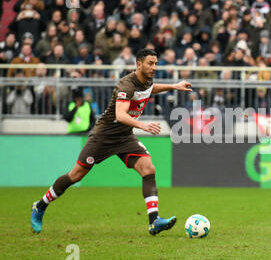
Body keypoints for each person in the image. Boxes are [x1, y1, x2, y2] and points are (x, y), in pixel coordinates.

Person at [31, 48, 193, 235]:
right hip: (104, 137)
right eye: (150, 63)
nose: (154, 67)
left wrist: (174, 86)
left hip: (124, 137)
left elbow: (150, 89)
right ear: (138, 64)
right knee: (76, 175)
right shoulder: (126, 84)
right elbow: (120, 115)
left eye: (156, 63)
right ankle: (40, 206)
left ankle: (154, 220)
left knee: (148, 168)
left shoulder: (147, 80)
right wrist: (143, 126)